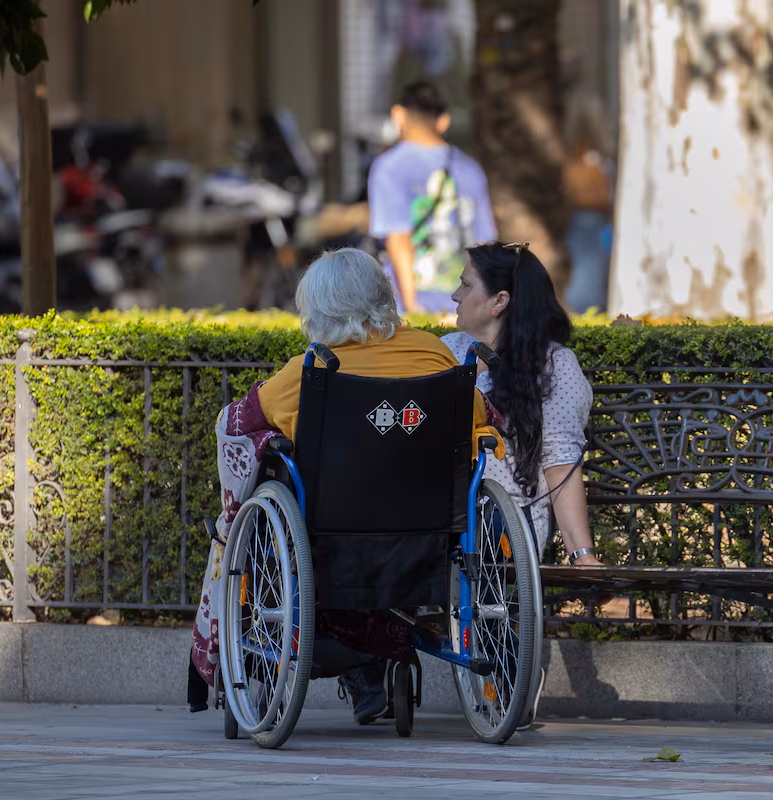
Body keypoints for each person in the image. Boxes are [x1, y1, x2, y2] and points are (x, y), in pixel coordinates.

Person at [190, 247, 494, 725]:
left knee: (269, 492)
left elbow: (237, 423)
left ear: (319, 309)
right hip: (427, 532)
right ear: (382, 295)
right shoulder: (434, 354)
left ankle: (308, 658)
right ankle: (371, 658)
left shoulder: (310, 370)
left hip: (330, 536)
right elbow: (482, 416)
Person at [441, 241, 601, 567]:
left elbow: (560, 464)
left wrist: (582, 555)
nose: (455, 295)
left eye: (466, 285)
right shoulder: (446, 351)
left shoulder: (552, 365)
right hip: (438, 511)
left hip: (503, 519)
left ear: (499, 301)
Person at [368, 80, 497, 314]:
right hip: (465, 304)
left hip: (412, 303)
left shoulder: (389, 166)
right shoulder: (470, 169)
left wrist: (412, 308)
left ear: (398, 115)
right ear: (443, 120)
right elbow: (485, 244)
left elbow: (397, 238)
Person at [560, 52, 616, 314]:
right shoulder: (585, 103)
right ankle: (585, 318)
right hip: (588, 204)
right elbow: (606, 144)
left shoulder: (560, 107)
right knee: (589, 268)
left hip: (567, 200)